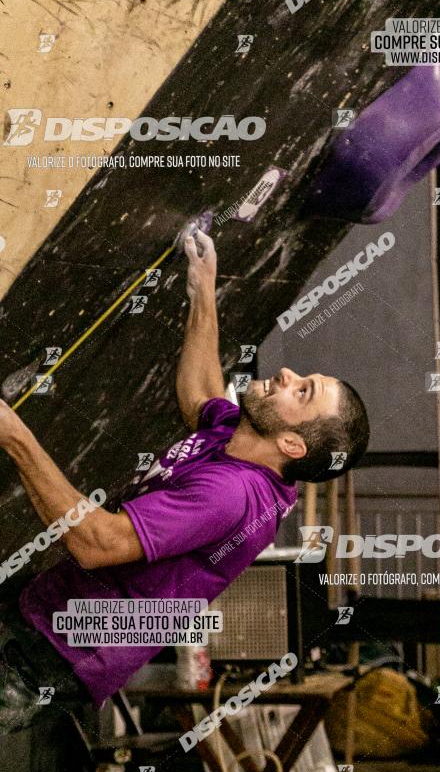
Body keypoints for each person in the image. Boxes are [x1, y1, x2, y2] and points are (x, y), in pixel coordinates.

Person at [0, 230, 369, 730]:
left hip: (62, 651)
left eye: (301, 393)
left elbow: (98, 542)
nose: (285, 373)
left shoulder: (229, 496)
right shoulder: (243, 436)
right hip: (49, 601)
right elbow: (201, 392)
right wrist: (202, 289)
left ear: (293, 446)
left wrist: (15, 435)